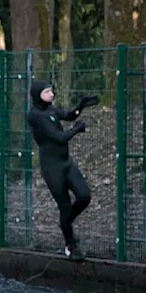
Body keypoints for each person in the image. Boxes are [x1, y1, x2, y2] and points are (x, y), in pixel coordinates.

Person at [26, 81, 98, 261]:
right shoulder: (35, 115)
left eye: (52, 90)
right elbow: (59, 137)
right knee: (65, 206)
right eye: (47, 92)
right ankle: (71, 246)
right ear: (37, 95)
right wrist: (76, 130)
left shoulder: (50, 110)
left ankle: (65, 222)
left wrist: (80, 105)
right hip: (52, 169)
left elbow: (68, 115)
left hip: (66, 163)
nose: (52, 94)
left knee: (84, 196)